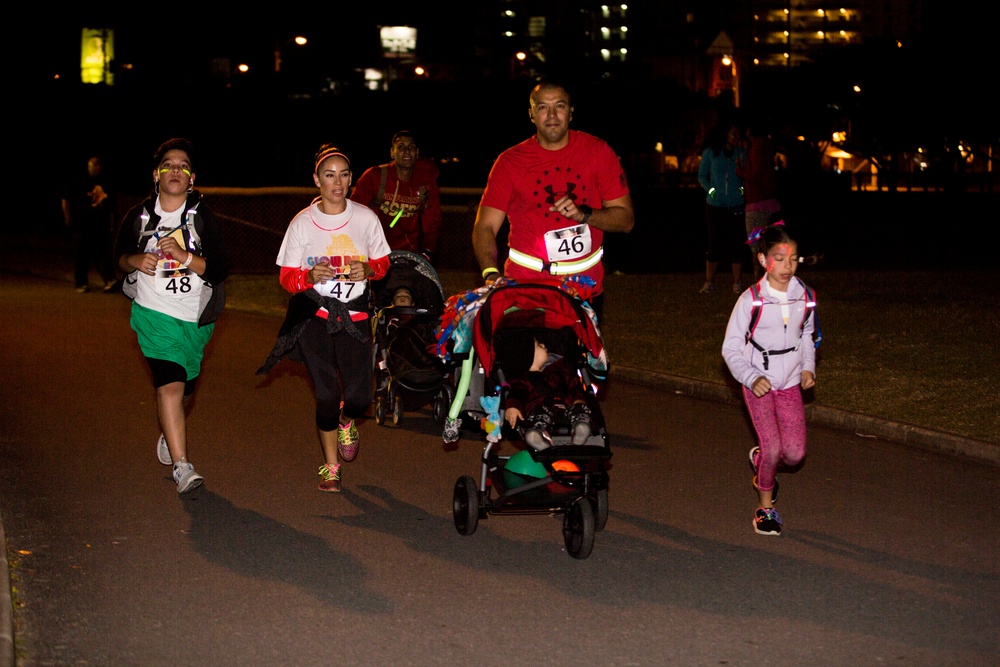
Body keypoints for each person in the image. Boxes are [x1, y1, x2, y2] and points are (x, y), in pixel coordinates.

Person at [257, 144, 391, 493]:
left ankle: (347, 421)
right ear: (316, 179)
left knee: (361, 397)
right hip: (315, 316)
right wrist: (308, 278)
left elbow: (383, 263)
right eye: (329, 175)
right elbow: (287, 277)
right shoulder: (302, 223)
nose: (337, 182)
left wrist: (370, 269)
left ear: (351, 179)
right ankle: (330, 467)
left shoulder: (365, 218)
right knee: (327, 394)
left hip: (356, 314)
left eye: (344, 175)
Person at [114, 138, 230, 494]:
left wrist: (183, 256)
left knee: (185, 388)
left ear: (192, 178)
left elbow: (220, 268)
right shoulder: (140, 217)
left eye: (182, 166)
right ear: (156, 174)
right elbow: (119, 259)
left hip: (194, 319)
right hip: (152, 315)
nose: (175, 170)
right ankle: (183, 466)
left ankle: (170, 428)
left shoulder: (202, 218)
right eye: (168, 165)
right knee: (170, 384)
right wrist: (135, 261)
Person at [472, 80, 634, 321]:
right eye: (542, 107)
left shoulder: (598, 152)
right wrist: (490, 274)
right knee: (528, 358)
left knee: (582, 359)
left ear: (570, 112)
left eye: (559, 106)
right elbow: (485, 226)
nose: (551, 115)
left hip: (584, 290)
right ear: (531, 114)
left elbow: (626, 220)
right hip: (525, 287)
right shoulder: (510, 162)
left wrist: (585, 214)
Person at [722, 223, 817, 536]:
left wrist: (808, 367)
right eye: (779, 259)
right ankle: (766, 508)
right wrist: (750, 377)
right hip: (758, 384)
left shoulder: (806, 296)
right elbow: (731, 348)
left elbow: (806, 334)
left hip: (789, 383)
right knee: (774, 448)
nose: (787, 267)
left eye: (793, 260)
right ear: (764, 260)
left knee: (795, 454)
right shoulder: (751, 300)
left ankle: (761, 458)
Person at [349, 130, 442, 261]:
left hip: (409, 254)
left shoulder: (426, 183)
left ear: (417, 153)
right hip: (375, 250)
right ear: (392, 152)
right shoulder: (375, 177)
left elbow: (432, 220)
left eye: (411, 147)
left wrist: (427, 251)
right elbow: (354, 211)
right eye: (401, 147)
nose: (407, 151)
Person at [501, 330, 592, 450]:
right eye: (539, 345)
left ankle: (580, 428)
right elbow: (517, 393)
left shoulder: (559, 369)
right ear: (528, 356)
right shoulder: (524, 380)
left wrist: (579, 399)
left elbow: (574, 385)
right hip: (543, 411)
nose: (544, 346)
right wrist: (513, 406)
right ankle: (539, 436)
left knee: (580, 408)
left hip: (567, 409)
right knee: (539, 416)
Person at [698, 121, 747, 295]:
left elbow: (745, 174)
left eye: (737, 133)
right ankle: (709, 281)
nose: (736, 136)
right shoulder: (711, 153)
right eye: (732, 132)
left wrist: (741, 189)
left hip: (736, 204)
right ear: (724, 134)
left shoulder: (741, 153)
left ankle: (737, 283)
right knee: (714, 243)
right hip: (714, 205)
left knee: (736, 242)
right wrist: (711, 189)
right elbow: (701, 175)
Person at [62, 155, 119, 293]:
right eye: (94, 165)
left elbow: (112, 203)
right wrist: (68, 216)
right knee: (82, 253)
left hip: (100, 223)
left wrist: (113, 221)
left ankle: (109, 279)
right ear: (89, 167)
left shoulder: (105, 181)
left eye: (99, 165)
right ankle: (81, 282)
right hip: (83, 223)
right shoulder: (80, 181)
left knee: (103, 252)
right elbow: (66, 199)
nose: (97, 168)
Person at [737, 120, 782, 280]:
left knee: (755, 242)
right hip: (766, 199)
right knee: (762, 240)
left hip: (757, 200)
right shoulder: (766, 145)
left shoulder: (756, 147)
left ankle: (761, 277)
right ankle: (765, 276)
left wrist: (740, 170)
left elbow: (755, 174)